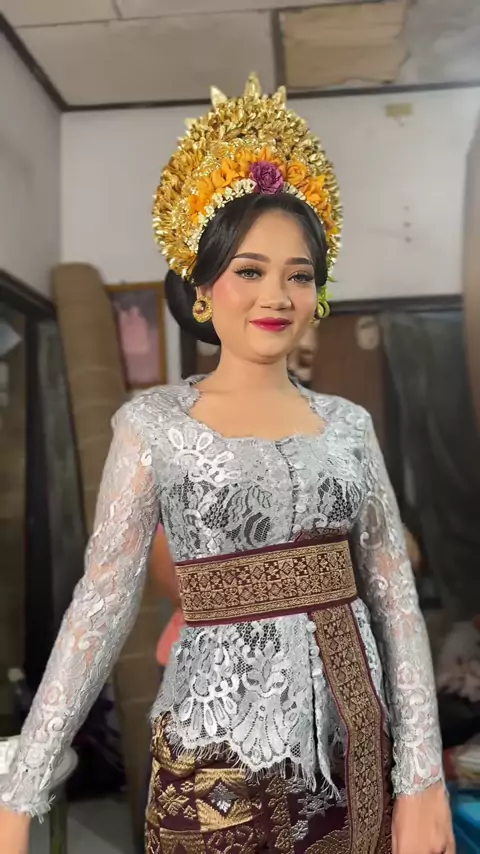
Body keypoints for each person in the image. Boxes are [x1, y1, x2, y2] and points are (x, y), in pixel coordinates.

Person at [0, 74, 453, 854]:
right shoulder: (153, 425)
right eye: (249, 270)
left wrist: (422, 777)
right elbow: (101, 607)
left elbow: (396, 601)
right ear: (204, 286)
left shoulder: (350, 426)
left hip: (354, 741)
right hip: (214, 755)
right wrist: (23, 786)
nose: (276, 295)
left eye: (298, 274)